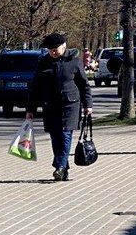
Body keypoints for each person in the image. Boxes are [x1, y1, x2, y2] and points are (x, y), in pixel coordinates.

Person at [26, 32, 92, 181]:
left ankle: (60, 167)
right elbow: (35, 88)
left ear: (64, 46)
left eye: (56, 49)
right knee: (55, 137)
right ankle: (63, 169)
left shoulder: (74, 61)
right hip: (50, 105)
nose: (53, 52)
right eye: (50, 50)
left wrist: (88, 105)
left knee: (65, 134)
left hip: (70, 104)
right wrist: (30, 109)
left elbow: (84, 85)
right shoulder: (43, 62)